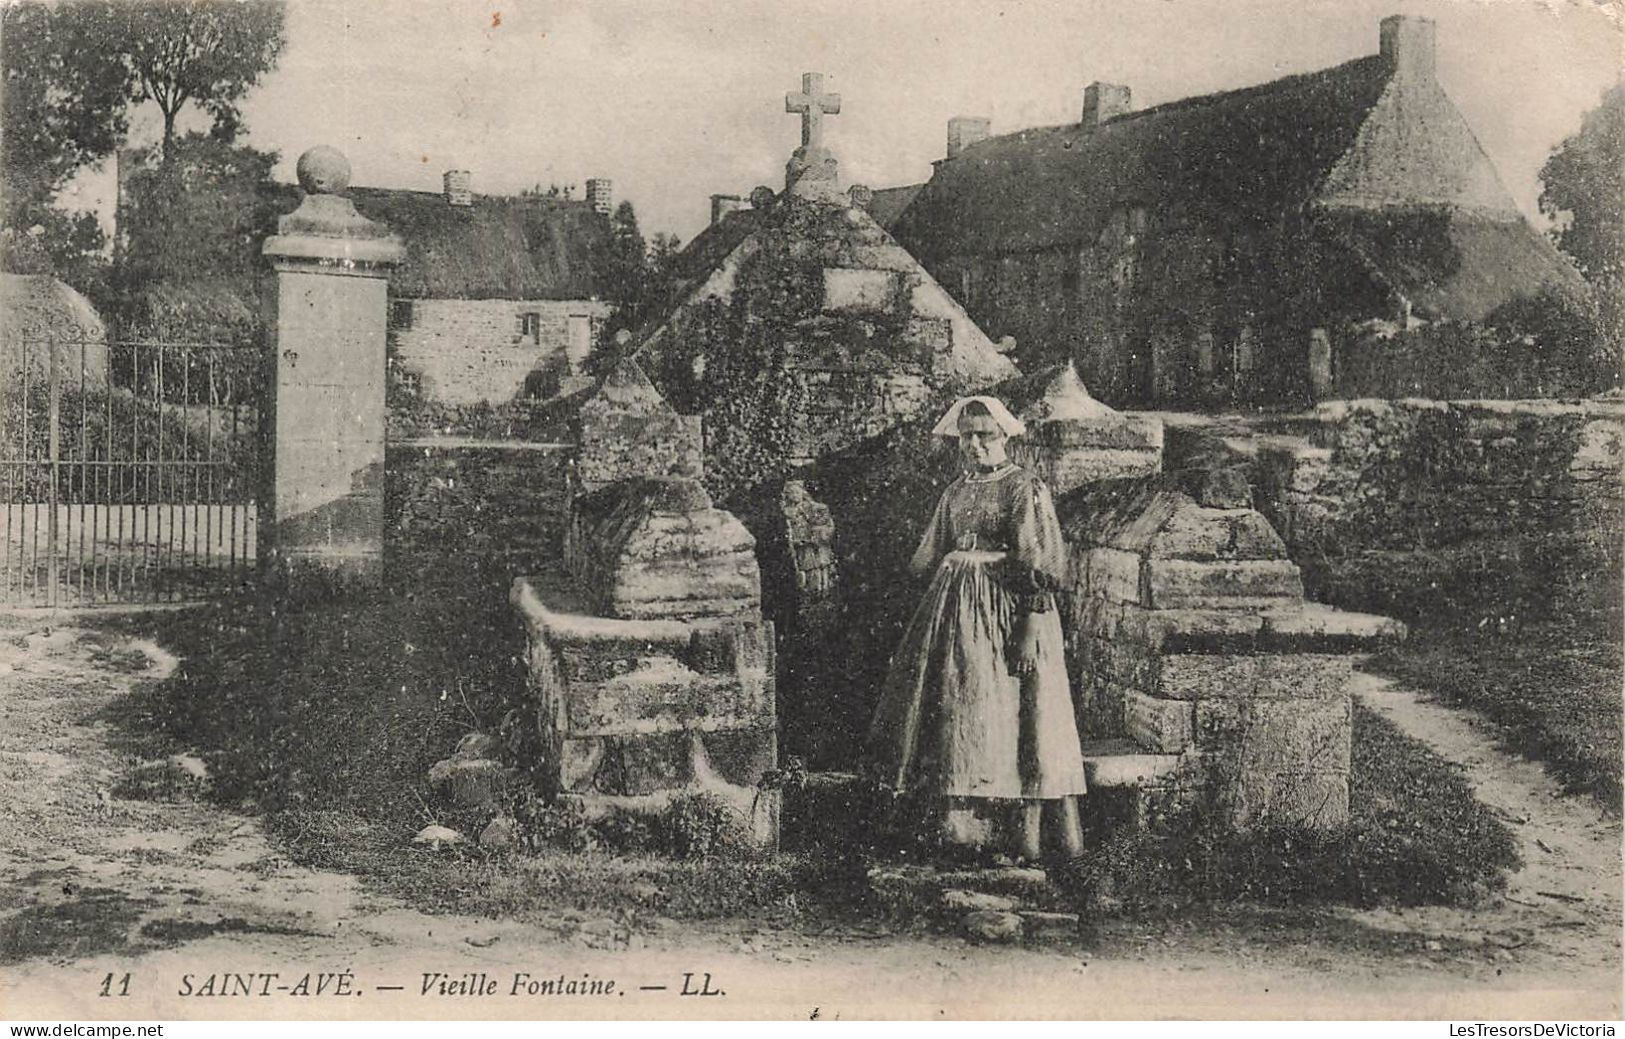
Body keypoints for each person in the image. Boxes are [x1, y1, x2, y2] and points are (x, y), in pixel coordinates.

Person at [868, 396, 1087, 863]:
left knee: (1012, 710)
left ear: (1005, 437)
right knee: (957, 706)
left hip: (1007, 612)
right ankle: (960, 833)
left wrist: (1030, 620)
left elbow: (1039, 558)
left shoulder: (1022, 488)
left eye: (984, 435)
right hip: (953, 613)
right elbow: (929, 553)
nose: (974, 444)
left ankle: (1018, 836)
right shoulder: (955, 491)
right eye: (966, 436)